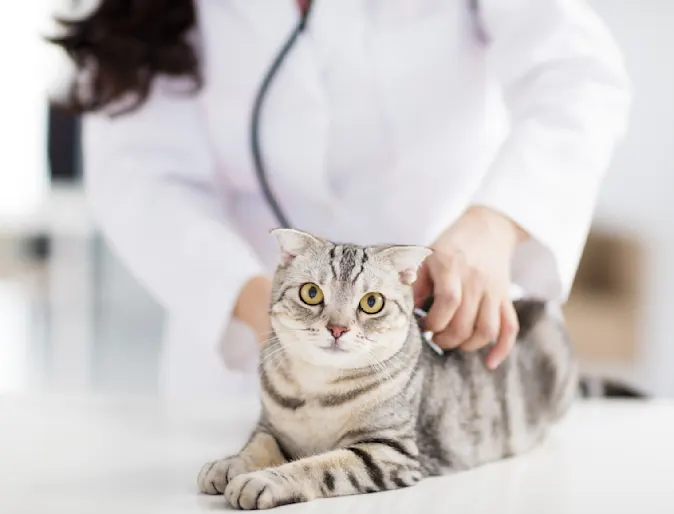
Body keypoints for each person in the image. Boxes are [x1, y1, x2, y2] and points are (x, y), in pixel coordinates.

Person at [51, 0, 630, 403]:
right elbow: (142, 179)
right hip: (243, 373)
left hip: (446, 339)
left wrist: (496, 224)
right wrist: (269, 315)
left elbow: (578, 77)